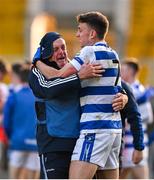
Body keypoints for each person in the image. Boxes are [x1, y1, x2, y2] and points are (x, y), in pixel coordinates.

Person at [34, 12, 124, 179]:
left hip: (94, 128)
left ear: (92, 33)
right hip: (114, 130)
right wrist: (124, 97)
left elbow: (59, 76)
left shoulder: (88, 51)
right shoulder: (114, 54)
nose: (77, 34)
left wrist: (37, 62)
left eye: (80, 30)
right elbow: (117, 88)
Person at [3, 63, 40, 179]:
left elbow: (6, 121)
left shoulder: (13, 96)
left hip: (17, 142)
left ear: (18, 77)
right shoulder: (39, 96)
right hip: (35, 143)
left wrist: (10, 137)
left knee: (14, 177)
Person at [120, 59, 153, 179]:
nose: (120, 73)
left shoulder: (138, 91)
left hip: (136, 142)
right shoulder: (128, 89)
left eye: (123, 70)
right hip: (125, 144)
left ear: (130, 72)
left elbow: (147, 117)